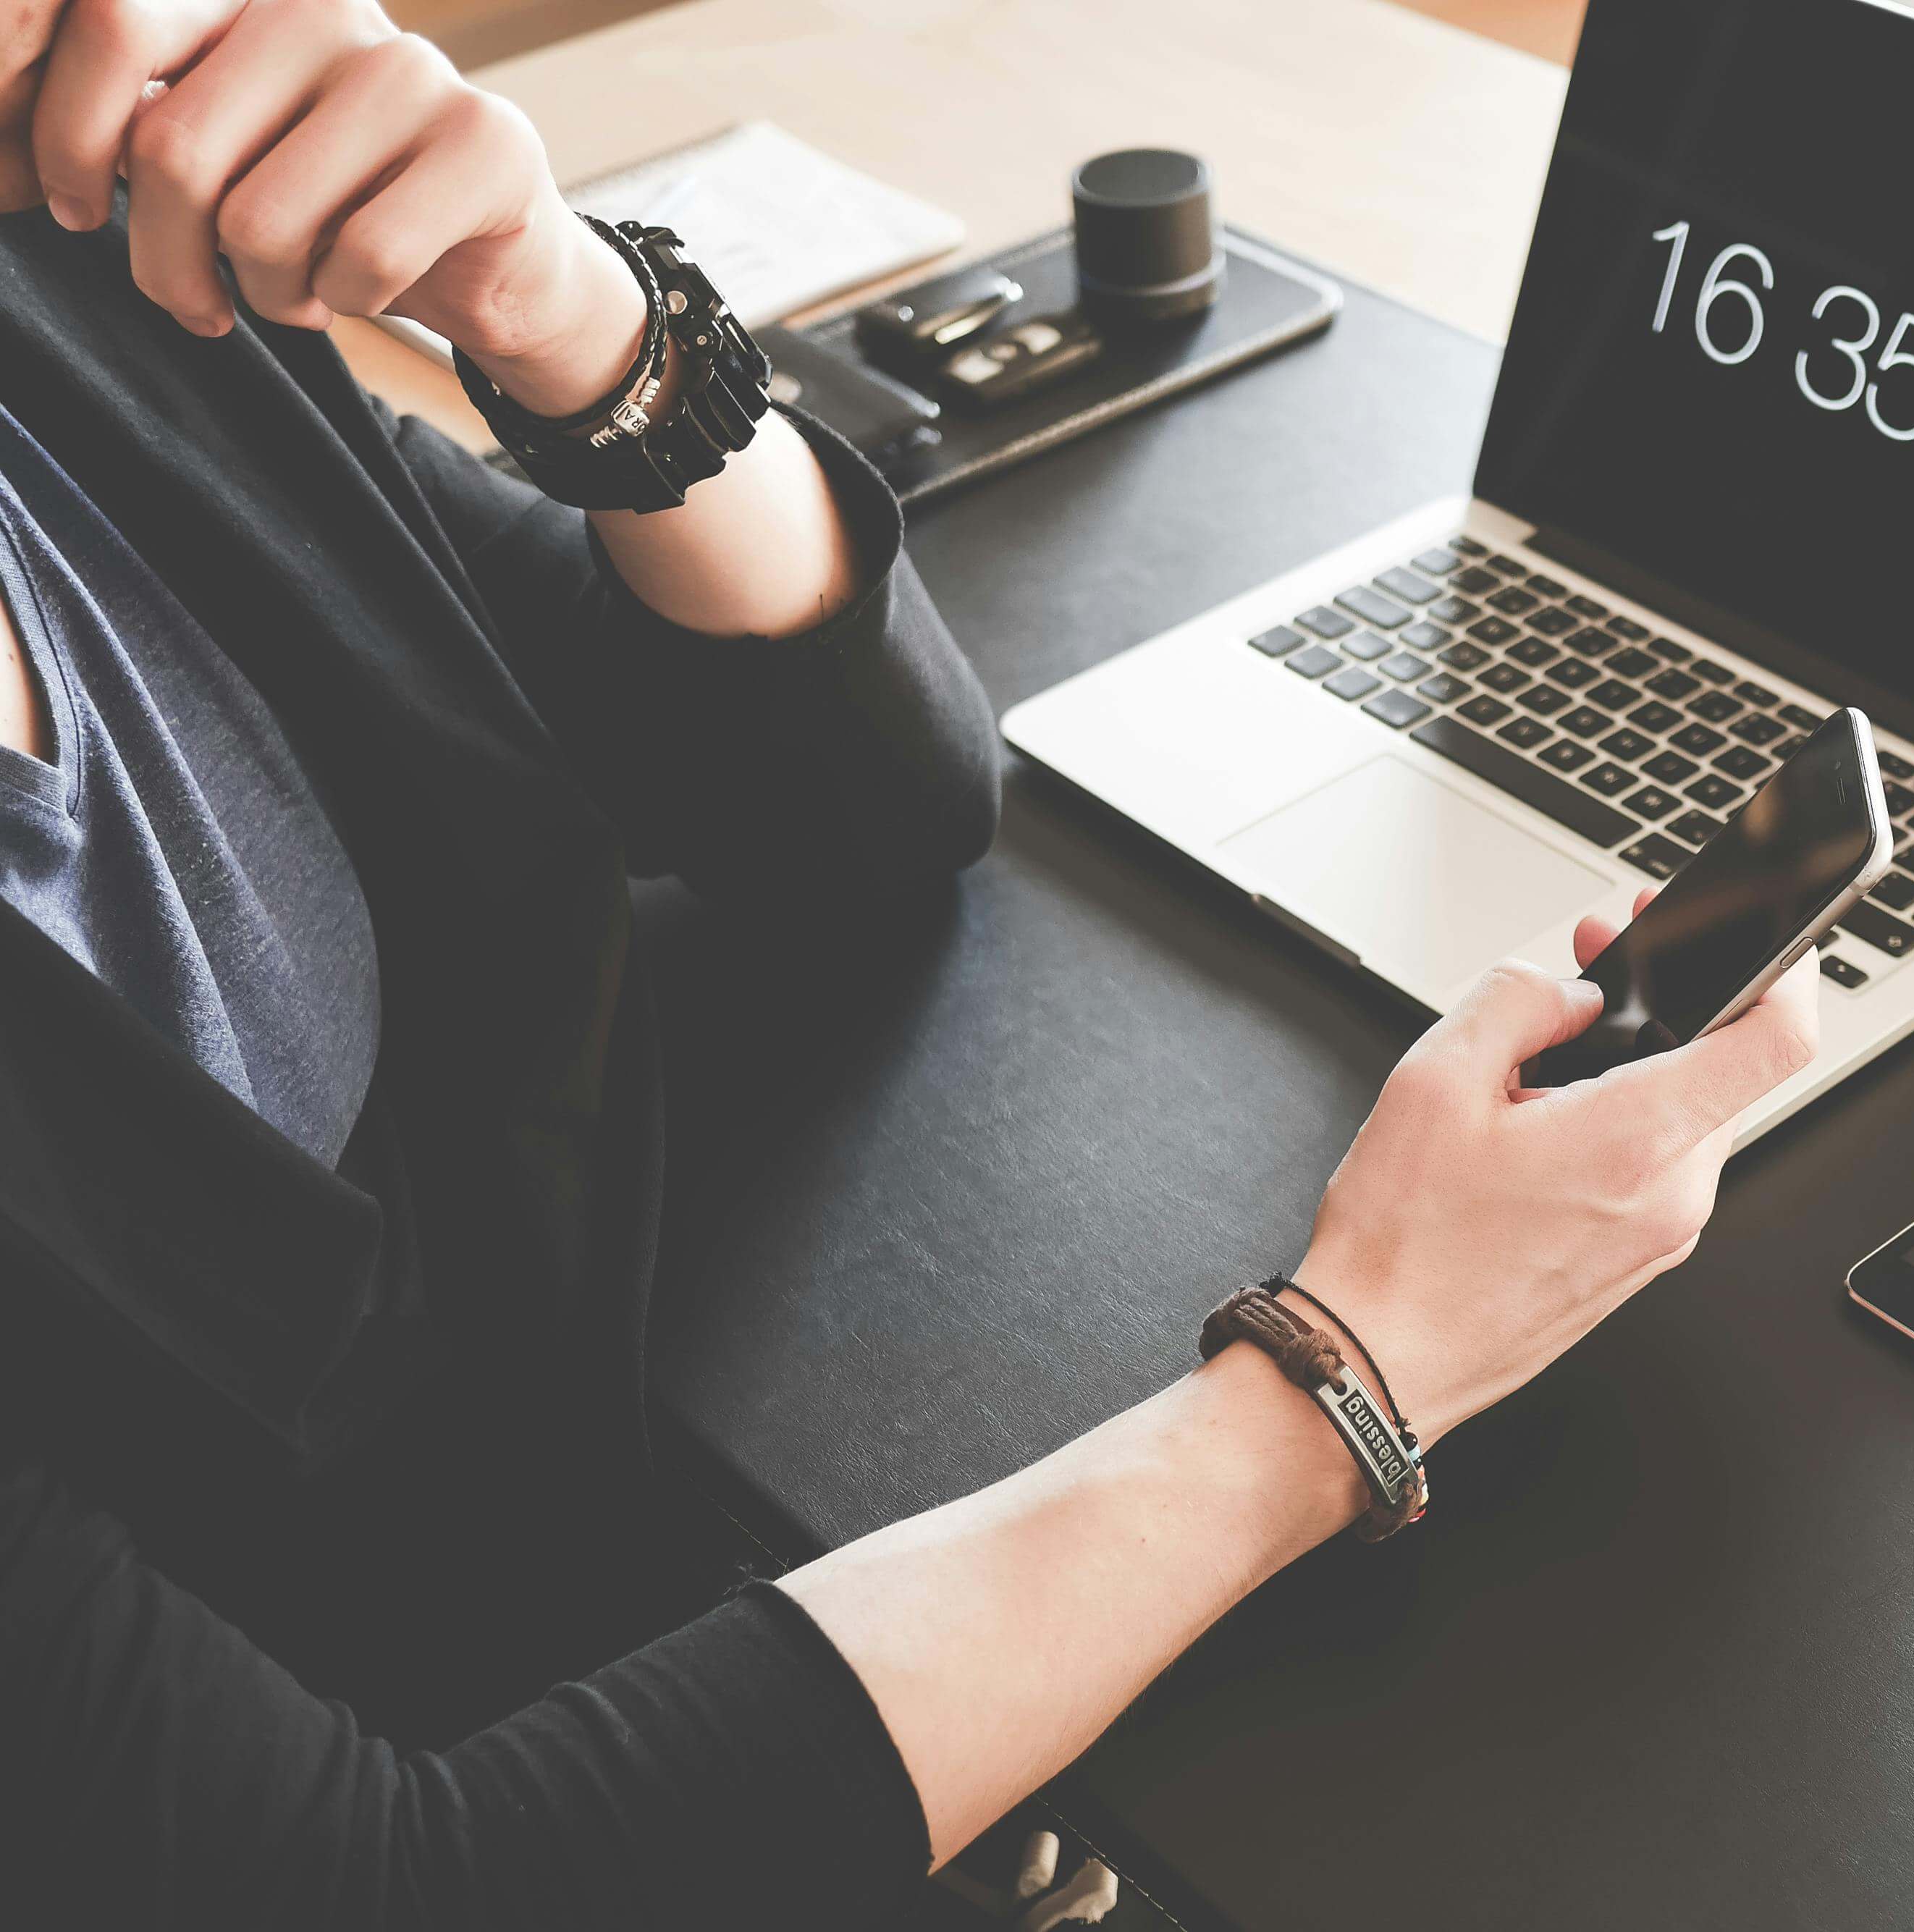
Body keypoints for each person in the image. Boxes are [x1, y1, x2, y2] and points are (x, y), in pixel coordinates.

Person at [0, 1, 1822, 1923]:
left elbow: (856, 804)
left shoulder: (83, 296)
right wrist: (1357, 1370)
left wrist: (577, 317)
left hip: (606, 1542)